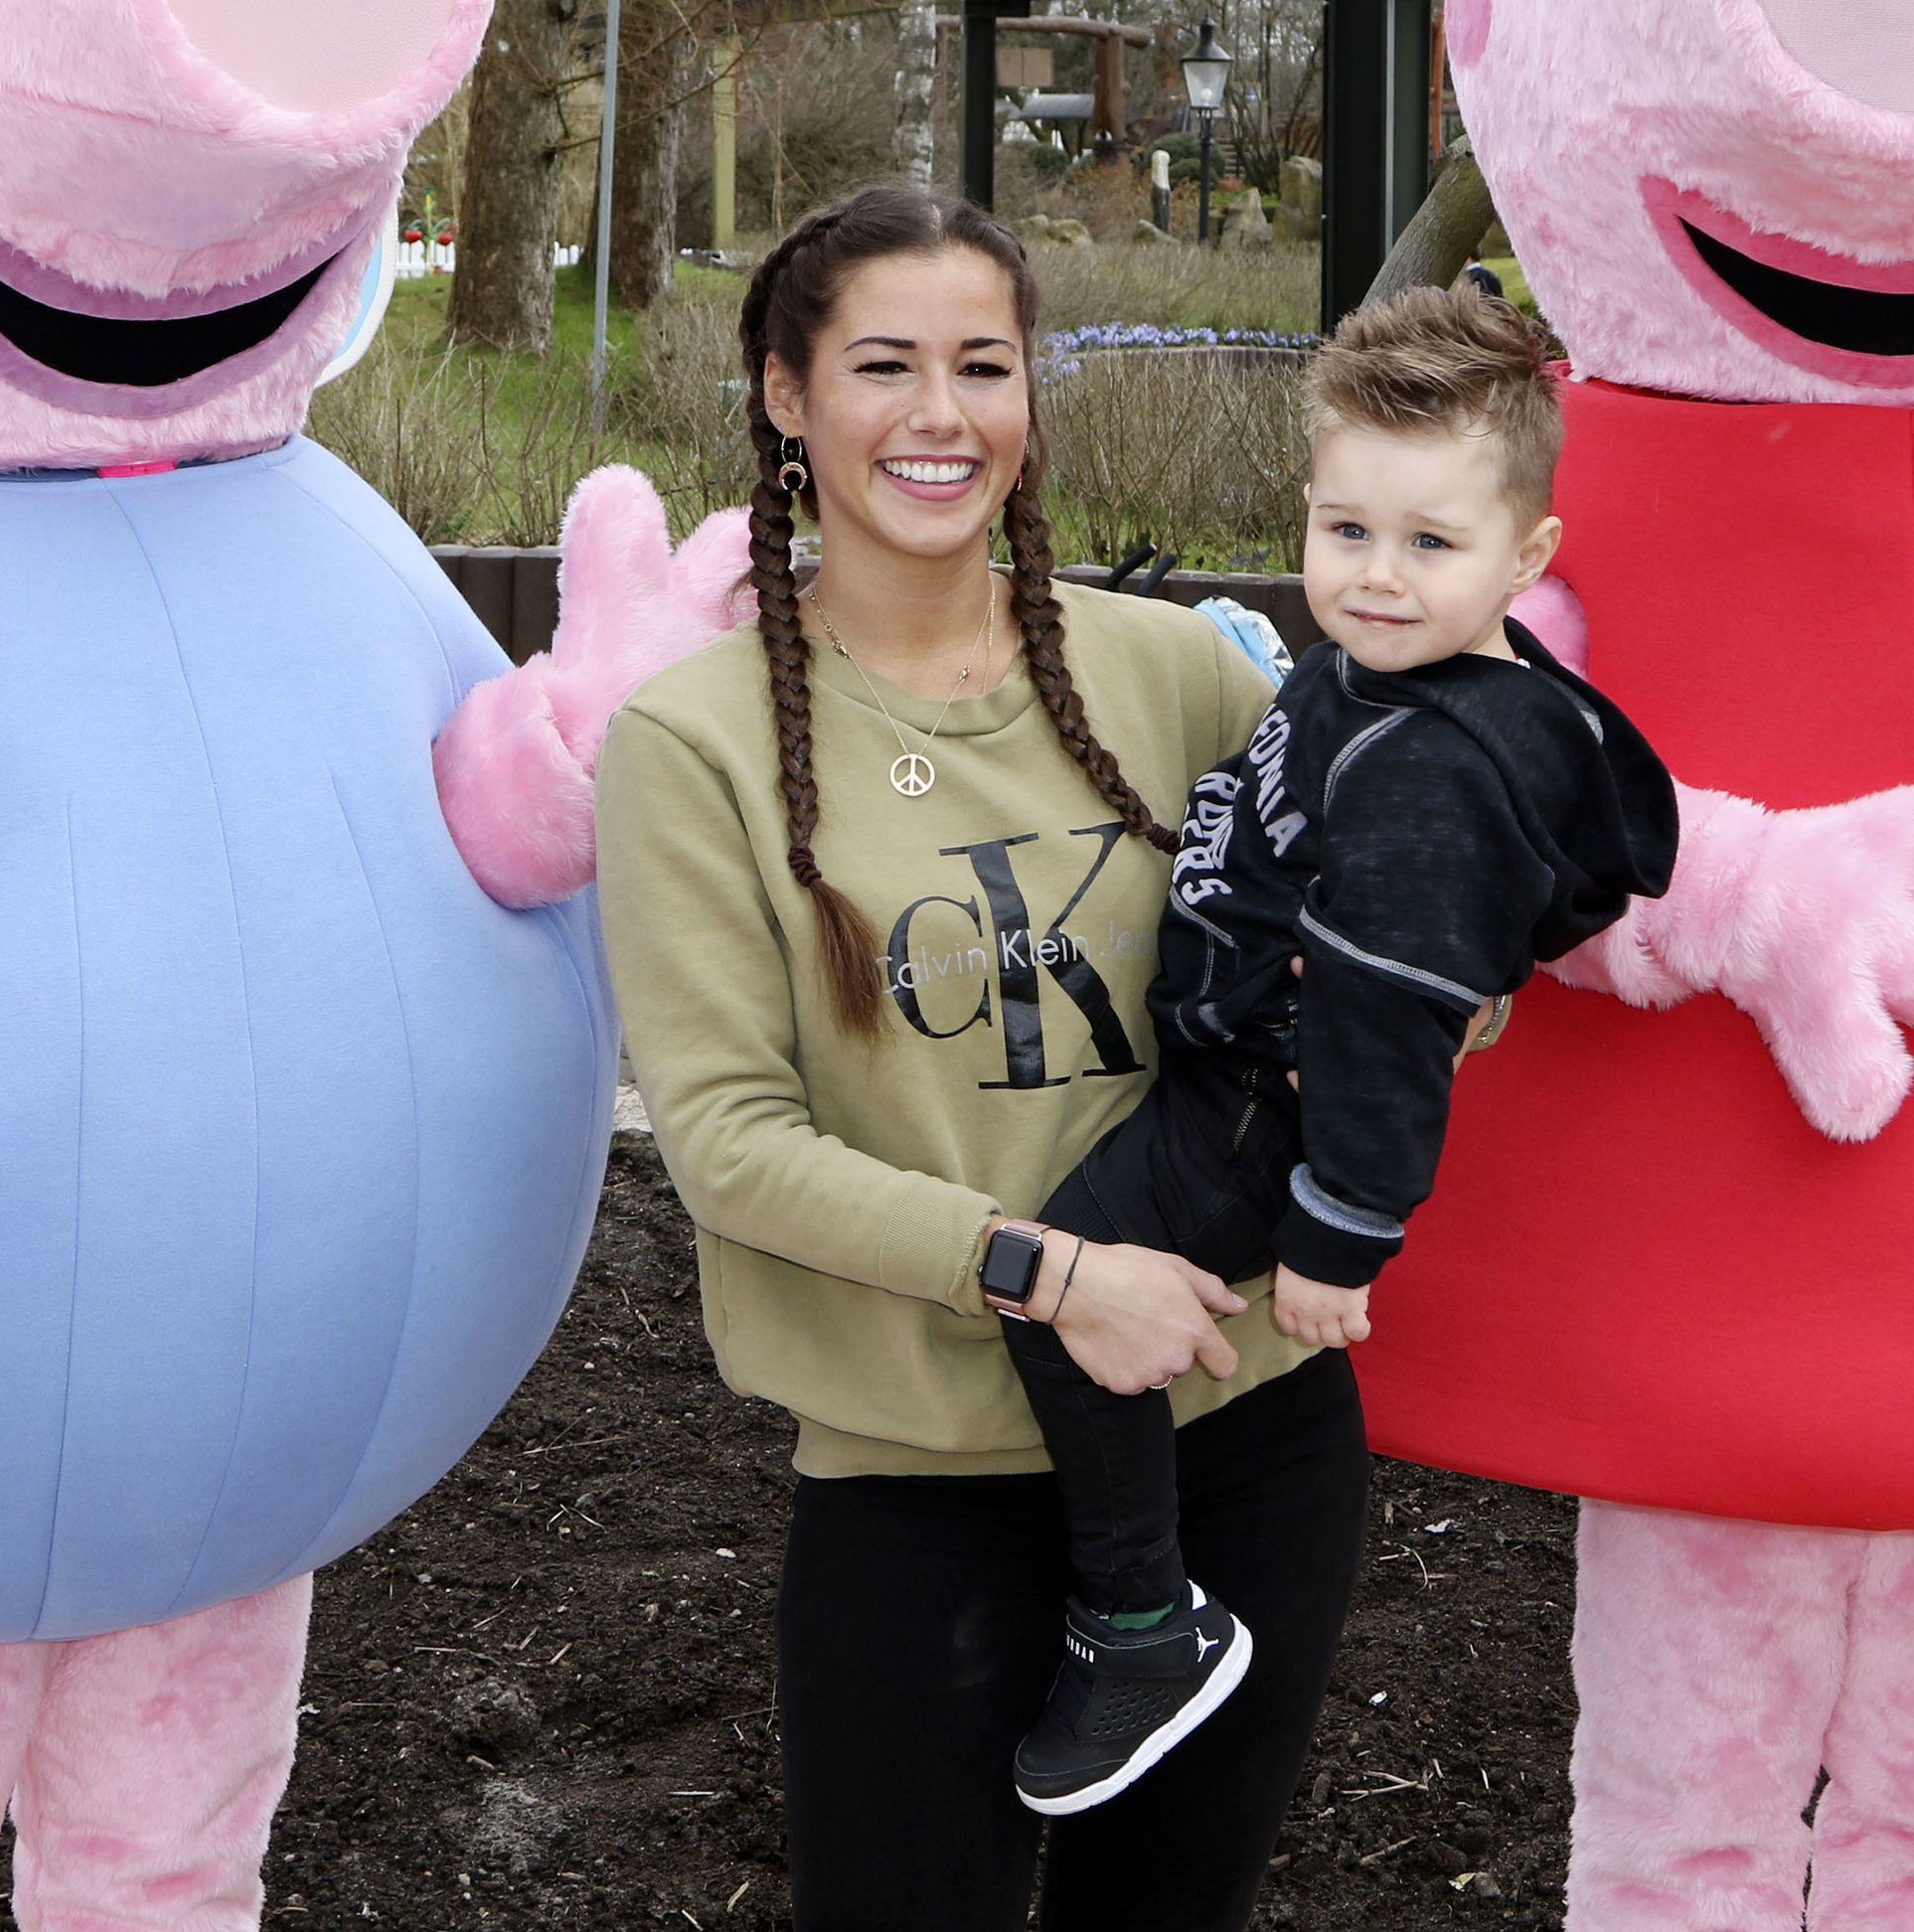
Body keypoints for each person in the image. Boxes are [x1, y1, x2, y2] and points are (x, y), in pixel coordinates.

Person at [598, 185, 1365, 1932]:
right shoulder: (692, 743)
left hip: (1242, 1438)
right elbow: (726, 1143)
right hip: (922, 1481)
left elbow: (1371, 946)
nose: (941, 418)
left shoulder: (1177, 676)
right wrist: (1048, 1274)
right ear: (788, 396)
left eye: (984, 367)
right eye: (884, 366)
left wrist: (1433, 993)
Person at [991, 286, 1677, 1815]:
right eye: (1345, 530)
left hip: (1262, 1113)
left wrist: (1338, 1234)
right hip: (1240, 1068)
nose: (1375, 577)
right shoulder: (1397, 680)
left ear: (1528, 558)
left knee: (1057, 1287)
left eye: (1430, 545)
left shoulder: (1433, 769)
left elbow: (1389, 1011)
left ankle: (1135, 1626)